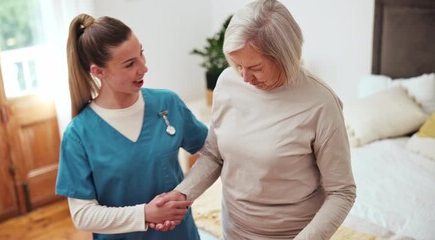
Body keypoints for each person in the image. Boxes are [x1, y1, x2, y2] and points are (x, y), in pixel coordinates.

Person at [155, 0, 356, 239]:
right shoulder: (228, 82)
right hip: (232, 228)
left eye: (255, 67)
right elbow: (214, 155)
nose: (244, 76)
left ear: (285, 56)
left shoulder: (321, 103)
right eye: (237, 64)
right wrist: (182, 194)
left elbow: (342, 192)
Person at [55, 13, 208, 240]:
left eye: (141, 54)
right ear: (98, 71)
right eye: (130, 64)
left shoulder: (167, 104)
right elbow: (83, 215)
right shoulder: (78, 135)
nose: (143, 68)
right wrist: (146, 214)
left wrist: (182, 194)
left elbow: (213, 153)